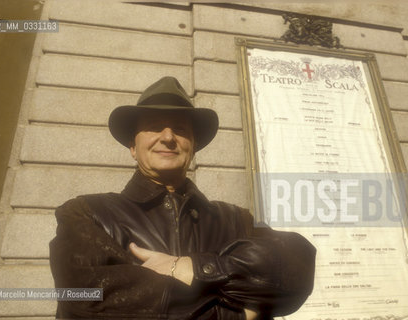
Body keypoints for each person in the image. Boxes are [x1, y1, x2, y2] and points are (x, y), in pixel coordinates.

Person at [49, 76, 316, 319]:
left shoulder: (236, 219)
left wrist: (196, 267)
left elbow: (296, 267)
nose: (168, 137)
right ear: (133, 147)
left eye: (179, 129)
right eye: (154, 127)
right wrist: (231, 315)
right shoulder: (88, 213)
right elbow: (87, 298)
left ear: (193, 146)